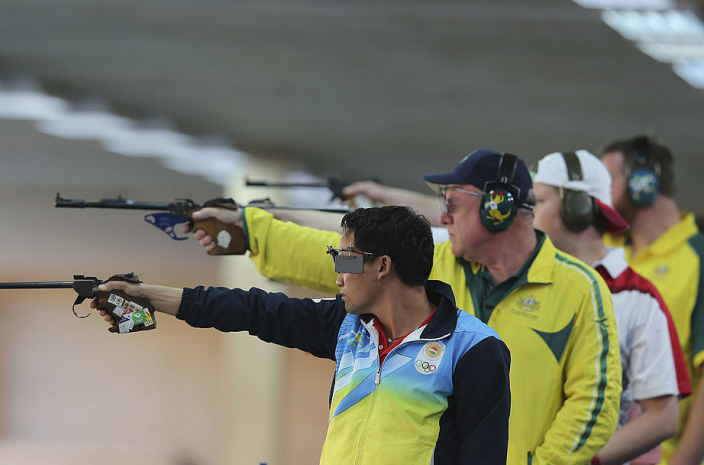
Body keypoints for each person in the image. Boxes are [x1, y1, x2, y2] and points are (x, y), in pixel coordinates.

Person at [189, 149, 622, 464]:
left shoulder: (581, 288)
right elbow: (327, 253)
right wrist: (249, 228)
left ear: (498, 210)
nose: (444, 217)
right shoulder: (434, 264)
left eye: (452, 205)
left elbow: (594, 406)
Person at [97, 206, 512, 464]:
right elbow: (252, 310)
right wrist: (147, 295)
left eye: (345, 259)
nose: (337, 274)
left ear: (383, 266)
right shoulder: (347, 327)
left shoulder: (473, 349)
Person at [532, 149, 691, 465]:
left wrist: (581, 460)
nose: (526, 213)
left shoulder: (638, 296)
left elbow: (663, 417)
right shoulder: (518, 280)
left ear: (576, 207)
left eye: (537, 201)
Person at [600, 135, 704, 465]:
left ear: (643, 182)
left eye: (609, 178)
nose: (600, 191)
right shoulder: (608, 249)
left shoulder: (698, 257)